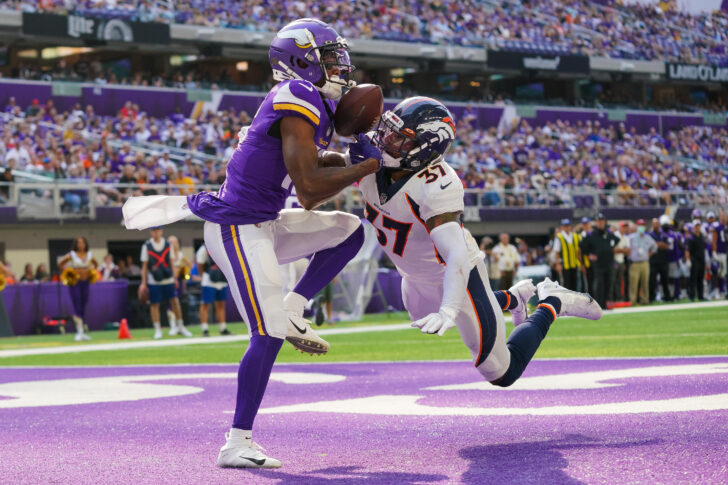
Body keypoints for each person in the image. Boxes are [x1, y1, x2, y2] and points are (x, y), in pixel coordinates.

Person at [123, 18, 381, 468]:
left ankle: (296, 306)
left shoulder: (311, 101)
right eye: (330, 57)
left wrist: (350, 156)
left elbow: (309, 162)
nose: (341, 65)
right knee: (266, 333)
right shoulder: (297, 95)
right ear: (302, 61)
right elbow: (307, 186)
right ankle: (236, 442)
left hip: (264, 221)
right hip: (235, 227)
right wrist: (367, 167)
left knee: (351, 230)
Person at [357, 96, 601, 410]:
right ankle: (513, 298)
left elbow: (456, 254)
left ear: (426, 147)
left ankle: (553, 301)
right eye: (388, 131)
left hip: (457, 273)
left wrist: (448, 308)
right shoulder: (371, 159)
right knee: (421, 319)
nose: (386, 140)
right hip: (416, 275)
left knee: (500, 371)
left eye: (399, 137)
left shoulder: (437, 185)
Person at [139, 226, 193, 339]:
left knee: (175, 301)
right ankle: (157, 329)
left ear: (161, 231)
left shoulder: (168, 245)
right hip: (154, 279)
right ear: (151, 232)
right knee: (154, 304)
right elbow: (144, 266)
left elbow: (172, 262)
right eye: (153, 230)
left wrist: (174, 278)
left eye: (158, 230)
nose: (156, 233)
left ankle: (180, 326)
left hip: (168, 278)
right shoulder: (146, 246)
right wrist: (143, 283)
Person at [57, 236, 97, 341]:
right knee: (77, 305)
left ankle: (82, 332)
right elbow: (60, 264)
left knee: (83, 304)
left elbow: (95, 264)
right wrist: (68, 271)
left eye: (83, 242)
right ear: (76, 245)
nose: (81, 245)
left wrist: (91, 271)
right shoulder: (72, 254)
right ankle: (79, 331)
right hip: (75, 283)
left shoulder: (89, 255)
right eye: (78, 243)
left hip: (86, 282)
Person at [579, 213, 620, 310]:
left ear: (605, 222)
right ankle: (598, 305)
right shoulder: (591, 234)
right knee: (599, 284)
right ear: (596, 223)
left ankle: (605, 304)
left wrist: (610, 249)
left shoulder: (608, 233)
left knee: (608, 283)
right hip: (598, 265)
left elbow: (616, 240)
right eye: (599, 221)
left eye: (602, 221)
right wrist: (589, 254)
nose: (601, 223)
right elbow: (582, 246)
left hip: (609, 263)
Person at [196, 243, 231, 336]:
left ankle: (223, 328)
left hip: (221, 279)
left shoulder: (223, 245)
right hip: (208, 280)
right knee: (205, 304)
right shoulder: (203, 249)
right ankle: (205, 329)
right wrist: (203, 276)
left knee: (221, 304)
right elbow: (200, 264)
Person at [627, 219, 657, 305]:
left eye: (643, 225)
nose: (641, 227)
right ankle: (633, 301)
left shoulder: (647, 237)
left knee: (645, 282)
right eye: (640, 225)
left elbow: (655, 246)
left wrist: (649, 255)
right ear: (637, 226)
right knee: (633, 283)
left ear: (645, 227)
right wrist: (629, 256)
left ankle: (645, 300)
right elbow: (626, 247)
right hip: (634, 263)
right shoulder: (632, 237)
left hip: (645, 263)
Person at [552, 218, 581, 291]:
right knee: (565, 284)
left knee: (574, 284)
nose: (567, 227)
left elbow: (578, 251)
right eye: (565, 226)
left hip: (574, 263)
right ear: (562, 227)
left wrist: (580, 262)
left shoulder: (575, 236)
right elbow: (556, 252)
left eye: (568, 226)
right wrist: (558, 264)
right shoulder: (559, 237)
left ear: (570, 226)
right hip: (564, 265)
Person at [649, 216, 672, 302]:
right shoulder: (650, 235)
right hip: (653, 261)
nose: (655, 225)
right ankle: (651, 297)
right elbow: (650, 246)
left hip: (663, 260)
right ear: (652, 225)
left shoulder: (663, 235)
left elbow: (667, 246)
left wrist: (658, 244)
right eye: (654, 224)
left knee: (665, 280)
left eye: (656, 224)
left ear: (659, 224)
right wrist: (659, 244)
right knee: (652, 281)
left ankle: (667, 297)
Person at [707, 211, 727, 299]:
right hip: (718, 252)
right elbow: (714, 239)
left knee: (723, 273)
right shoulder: (716, 226)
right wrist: (714, 252)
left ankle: (722, 291)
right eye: (722, 216)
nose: (724, 218)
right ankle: (716, 291)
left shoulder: (725, 226)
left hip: (724, 252)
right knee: (716, 271)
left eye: (725, 216)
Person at [685, 222, 707, 301]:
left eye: (698, 225)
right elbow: (687, 250)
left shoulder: (701, 236)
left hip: (701, 260)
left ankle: (700, 296)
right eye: (696, 226)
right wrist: (688, 260)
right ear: (693, 227)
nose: (697, 227)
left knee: (700, 279)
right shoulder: (691, 238)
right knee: (693, 279)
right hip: (694, 260)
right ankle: (692, 296)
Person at [611, 221, 631, 302]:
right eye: (623, 227)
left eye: (626, 227)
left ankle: (618, 298)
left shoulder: (626, 237)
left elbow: (628, 251)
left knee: (619, 281)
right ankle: (611, 298)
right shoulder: (615, 235)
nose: (625, 228)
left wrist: (619, 250)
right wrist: (623, 250)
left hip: (622, 261)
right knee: (612, 280)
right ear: (620, 227)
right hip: (614, 261)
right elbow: (613, 250)